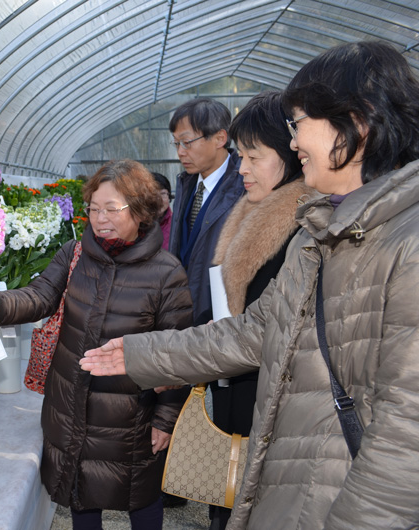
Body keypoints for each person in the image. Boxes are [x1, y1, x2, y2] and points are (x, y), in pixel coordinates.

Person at [80, 41, 419, 530]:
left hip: (341, 501)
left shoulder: (405, 241)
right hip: (298, 485)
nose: (295, 141)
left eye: (299, 123)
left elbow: (406, 436)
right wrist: (138, 355)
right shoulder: (321, 231)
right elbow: (253, 331)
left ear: (356, 121)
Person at [0, 159, 192, 530]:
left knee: (141, 498)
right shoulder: (74, 255)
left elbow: (176, 357)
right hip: (72, 404)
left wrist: (165, 420)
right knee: (79, 496)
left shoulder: (167, 274)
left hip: (130, 416)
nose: (100, 219)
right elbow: (39, 295)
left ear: (141, 210)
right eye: (94, 209)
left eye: (112, 209)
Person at [206, 91, 313, 530]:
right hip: (235, 387)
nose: (242, 168)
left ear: (290, 154)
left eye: (253, 156)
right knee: (227, 496)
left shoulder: (305, 228)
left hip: (272, 406)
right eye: (240, 156)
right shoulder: (248, 211)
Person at [168, 98, 245, 325]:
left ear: (220, 138)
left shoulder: (245, 186)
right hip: (182, 308)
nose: (181, 152)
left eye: (187, 142)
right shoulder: (187, 184)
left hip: (219, 318)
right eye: (176, 144)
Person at [151, 172, 173, 250]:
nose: (158, 199)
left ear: (169, 196)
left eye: (163, 193)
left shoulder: (177, 224)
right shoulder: (135, 224)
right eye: (153, 194)